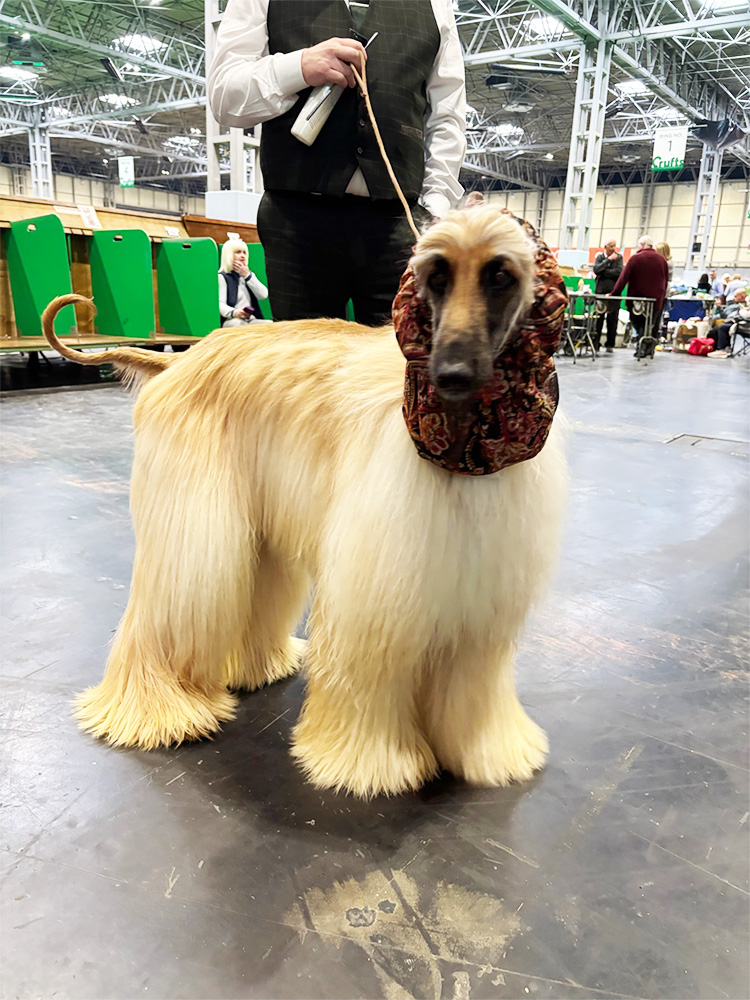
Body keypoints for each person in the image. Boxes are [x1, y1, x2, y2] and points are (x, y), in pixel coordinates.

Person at [208, 0, 466, 326]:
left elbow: (449, 117)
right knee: (301, 369)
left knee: (398, 368)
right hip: (295, 223)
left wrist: (434, 211)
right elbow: (223, 95)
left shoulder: (436, 5)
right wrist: (298, 67)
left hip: (400, 227)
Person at [611, 235, 669, 346]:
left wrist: (614, 293)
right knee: (651, 324)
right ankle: (647, 347)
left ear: (642, 245)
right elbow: (665, 281)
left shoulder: (635, 258)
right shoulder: (662, 260)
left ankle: (642, 344)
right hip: (656, 300)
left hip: (637, 299)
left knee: (638, 322)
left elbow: (623, 278)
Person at [218, 239, 269, 327]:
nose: (242, 256)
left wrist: (247, 276)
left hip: (249, 319)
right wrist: (235, 313)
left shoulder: (248, 275)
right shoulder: (222, 277)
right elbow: (220, 304)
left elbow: (263, 295)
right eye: (238, 252)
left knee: (270, 325)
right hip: (231, 320)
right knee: (239, 325)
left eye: (244, 252)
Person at [592, 238, 623, 353]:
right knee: (598, 319)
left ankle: (610, 344)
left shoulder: (619, 258)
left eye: (615, 246)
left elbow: (619, 272)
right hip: (600, 292)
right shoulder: (600, 257)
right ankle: (595, 343)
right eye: (611, 246)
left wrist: (604, 272)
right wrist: (608, 260)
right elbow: (596, 269)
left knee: (612, 319)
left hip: (614, 293)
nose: (613, 248)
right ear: (605, 247)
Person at [709, 290, 749, 355]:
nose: (733, 297)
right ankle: (725, 347)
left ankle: (721, 349)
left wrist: (719, 307)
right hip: (733, 321)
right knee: (720, 326)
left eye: (736, 296)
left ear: (742, 297)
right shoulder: (735, 304)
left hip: (739, 323)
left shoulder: (739, 306)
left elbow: (725, 316)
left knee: (720, 327)